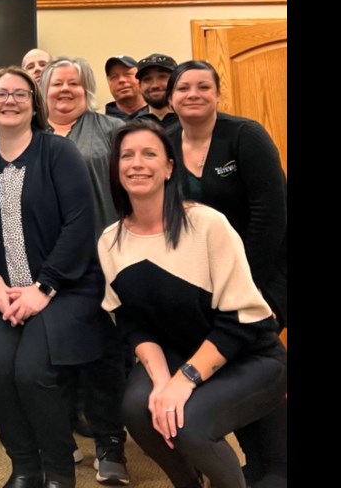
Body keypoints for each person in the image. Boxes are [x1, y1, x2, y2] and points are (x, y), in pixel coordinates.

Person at [98, 119, 287, 488]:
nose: (137, 163)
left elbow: (240, 321)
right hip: (175, 352)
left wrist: (184, 380)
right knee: (138, 408)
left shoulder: (207, 225)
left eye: (149, 154)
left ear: (169, 167)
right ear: (116, 169)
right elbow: (132, 323)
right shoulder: (110, 241)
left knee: (191, 427)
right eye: (127, 155)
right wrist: (162, 380)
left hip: (249, 355)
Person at [0, 67, 108, 488]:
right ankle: (25, 467)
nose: (10, 101)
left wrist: (43, 287)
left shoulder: (58, 153)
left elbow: (80, 226)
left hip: (65, 289)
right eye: (0, 94)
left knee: (31, 371)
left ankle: (60, 470)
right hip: (5, 294)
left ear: (35, 104)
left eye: (20, 94)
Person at [166, 60, 287, 487]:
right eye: (184, 87)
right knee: (228, 361)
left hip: (264, 272)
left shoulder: (245, 136)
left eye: (204, 86)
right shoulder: (165, 141)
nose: (193, 94)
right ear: (172, 96)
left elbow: (270, 216)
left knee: (253, 352)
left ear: (218, 94)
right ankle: (253, 464)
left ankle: (274, 466)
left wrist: (244, 287)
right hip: (203, 281)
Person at [40, 57, 130, 485]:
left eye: (73, 84)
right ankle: (60, 441)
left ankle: (110, 443)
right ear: (44, 90)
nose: (64, 91)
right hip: (46, 268)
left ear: (87, 89)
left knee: (104, 359)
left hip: (103, 262)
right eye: (56, 84)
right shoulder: (30, 135)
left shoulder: (112, 131)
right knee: (52, 360)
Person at [133, 54, 178, 129]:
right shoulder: (133, 128)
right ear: (139, 86)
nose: (155, 85)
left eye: (162, 77)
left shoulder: (192, 122)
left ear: (176, 81)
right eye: (147, 79)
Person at [104, 55, 145, 120]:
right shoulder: (103, 125)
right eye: (114, 77)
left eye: (128, 74)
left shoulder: (159, 117)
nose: (121, 80)